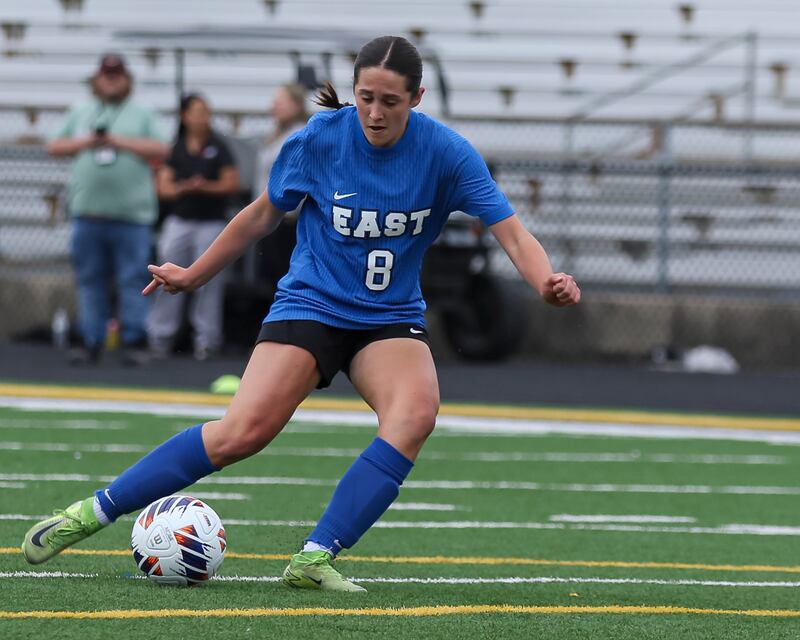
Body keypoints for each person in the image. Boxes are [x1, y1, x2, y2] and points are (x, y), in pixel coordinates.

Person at [22, 36, 581, 592]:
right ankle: (89, 513)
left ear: (417, 97)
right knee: (241, 434)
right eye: (365, 97)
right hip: (311, 304)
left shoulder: (448, 153)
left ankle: (315, 558)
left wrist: (545, 281)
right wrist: (193, 274)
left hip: (387, 318)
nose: (374, 112)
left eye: (390, 101)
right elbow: (261, 215)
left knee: (415, 416)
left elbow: (511, 231)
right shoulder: (320, 139)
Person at [47, 53, 170, 365]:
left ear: (127, 79)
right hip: (88, 214)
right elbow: (55, 146)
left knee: (133, 280)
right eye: (106, 75)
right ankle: (92, 340)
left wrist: (118, 141)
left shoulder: (142, 112)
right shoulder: (81, 110)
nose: (111, 80)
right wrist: (89, 141)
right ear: (97, 79)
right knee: (90, 280)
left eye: (117, 75)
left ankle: (135, 340)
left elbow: (162, 148)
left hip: (132, 216)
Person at [147, 94, 240, 361]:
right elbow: (163, 187)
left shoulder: (219, 147)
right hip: (181, 222)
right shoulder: (177, 148)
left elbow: (231, 183)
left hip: (210, 223)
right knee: (165, 276)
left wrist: (205, 187)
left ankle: (207, 340)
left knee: (208, 281)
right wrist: (184, 188)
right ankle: (161, 337)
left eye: (206, 112)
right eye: (197, 111)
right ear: (185, 116)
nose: (203, 117)